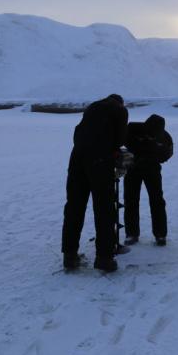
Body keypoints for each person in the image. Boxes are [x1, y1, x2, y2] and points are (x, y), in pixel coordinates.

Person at [61, 94, 128, 273]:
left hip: (77, 157)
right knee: (104, 208)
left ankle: (69, 255)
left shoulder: (92, 107)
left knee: (74, 206)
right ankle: (104, 258)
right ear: (120, 102)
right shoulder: (120, 110)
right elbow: (120, 138)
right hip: (99, 159)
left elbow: (79, 132)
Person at [123, 114, 173, 246]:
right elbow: (125, 142)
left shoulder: (165, 137)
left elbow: (166, 154)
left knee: (157, 201)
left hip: (152, 169)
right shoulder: (132, 130)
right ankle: (131, 234)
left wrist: (152, 152)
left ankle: (160, 235)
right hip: (133, 168)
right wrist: (140, 151)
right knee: (131, 200)